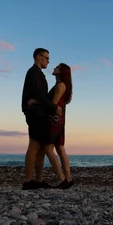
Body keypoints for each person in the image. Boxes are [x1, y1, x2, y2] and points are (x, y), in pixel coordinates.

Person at [21, 48, 63, 190]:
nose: (48, 61)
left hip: (39, 113)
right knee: (34, 145)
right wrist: (53, 107)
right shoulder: (33, 72)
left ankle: (37, 180)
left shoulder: (39, 74)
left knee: (39, 148)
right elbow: (38, 95)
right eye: (46, 58)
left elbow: (39, 97)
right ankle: (29, 180)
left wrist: (43, 105)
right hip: (35, 114)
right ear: (38, 57)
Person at [29, 63, 74, 189]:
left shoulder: (60, 85)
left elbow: (51, 104)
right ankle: (69, 179)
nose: (54, 68)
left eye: (57, 67)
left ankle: (62, 179)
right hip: (60, 121)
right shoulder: (63, 85)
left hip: (53, 121)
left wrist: (35, 101)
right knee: (60, 149)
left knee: (48, 150)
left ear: (61, 72)